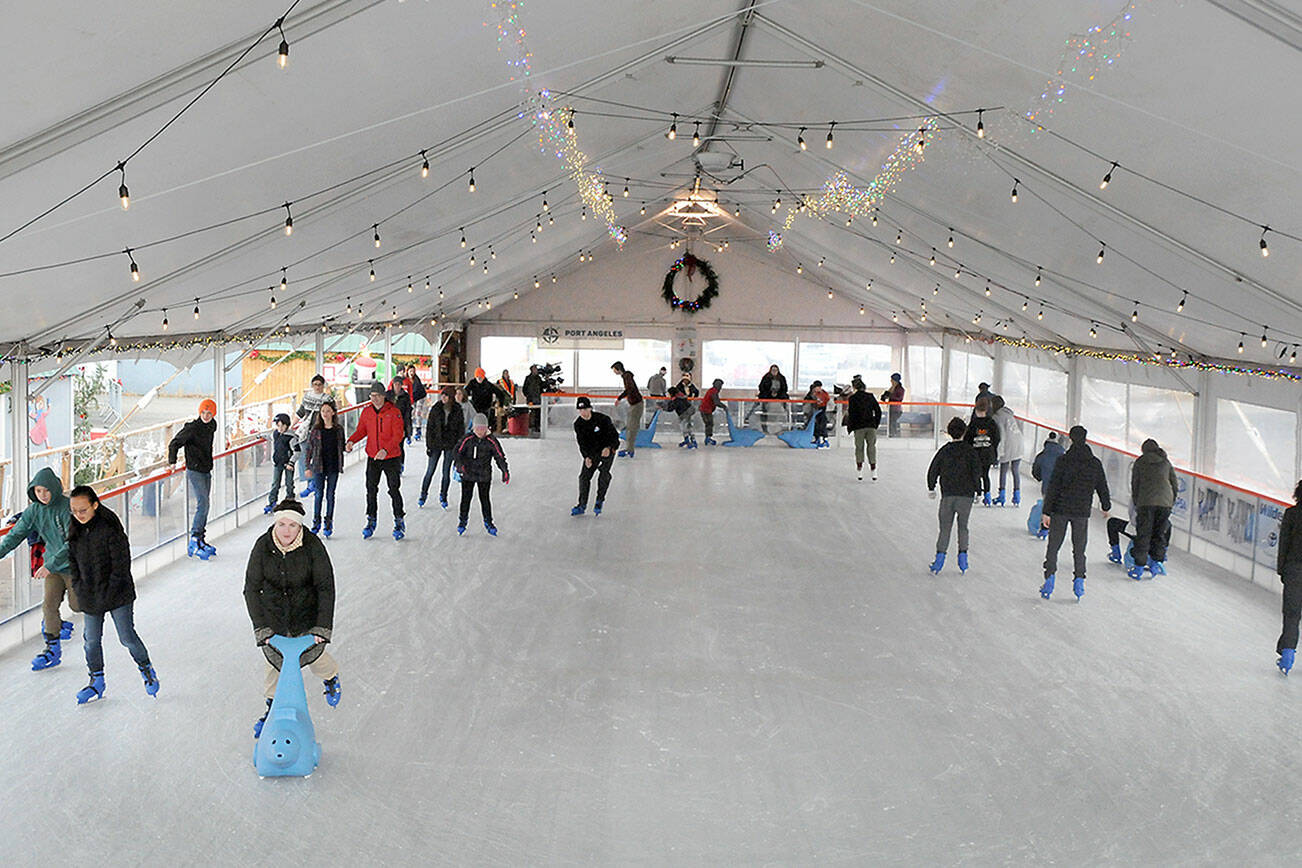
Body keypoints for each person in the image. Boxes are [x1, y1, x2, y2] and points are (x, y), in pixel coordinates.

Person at [243, 499, 340, 739]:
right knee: (274, 668)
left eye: (292, 526)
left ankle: (331, 678)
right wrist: (262, 628)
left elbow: (326, 587)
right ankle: (271, 709)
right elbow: (251, 589)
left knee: (317, 661)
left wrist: (321, 627)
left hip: (306, 620)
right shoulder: (262, 547)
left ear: (300, 527)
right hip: (274, 621)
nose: (286, 531)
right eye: (282, 524)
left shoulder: (313, 546)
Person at [65, 485, 158, 703]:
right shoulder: (75, 529)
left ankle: (146, 668)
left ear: (95, 505)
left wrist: (108, 591)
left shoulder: (110, 527)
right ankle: (96, 680)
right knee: (91, 641)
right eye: (74, 511)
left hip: (118, 594)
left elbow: (121, 565)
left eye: (83, 510)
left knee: (126, 636)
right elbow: (72, 562)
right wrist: (78, 587)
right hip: (90, 594)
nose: (78, 515)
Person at [0, 466, 78, 670]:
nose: (42, 495)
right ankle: (52, 649)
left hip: (74, 565)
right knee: (48, 606)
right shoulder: (34, 510)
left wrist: (49, 564)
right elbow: (16, 535)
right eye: (38, 491)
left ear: (54, 488)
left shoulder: (66, 507)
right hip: (53, 568)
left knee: (78, 606)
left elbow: (72, 542)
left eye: (46, 490)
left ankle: (61, 624)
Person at [1039, 425, 1111, 601]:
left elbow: (1053, 487)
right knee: (1079, 549)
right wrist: (1106, 505)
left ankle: (1049, 579)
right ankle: (1079, 580)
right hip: (1081, 511)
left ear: (1071, 439)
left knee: (1053, 546)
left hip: (1060, 510)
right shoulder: (1094, 463)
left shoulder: (1063, 461)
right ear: (1086, 439)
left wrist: (1046, 511)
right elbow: (1102, 485)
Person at [345, 382, 406, 540]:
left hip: (391, 457)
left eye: (378, 396)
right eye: (373, 396)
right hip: (373, 457)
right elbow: (361, 430)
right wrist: (351, 441)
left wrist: (385, 450)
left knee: (393, 489)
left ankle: (399, 519)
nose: (375, 399)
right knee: (371, 489)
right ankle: (371, 519)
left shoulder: (394, 412)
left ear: (384, 396)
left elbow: (398, 435)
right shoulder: (367, 412)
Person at [926, 418, 984, 574]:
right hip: (966, 496)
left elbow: (933, 469)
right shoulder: (970, 451)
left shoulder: (944, 451)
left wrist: (932, 487)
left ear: (949, 432)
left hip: (948, 496)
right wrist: (979, 491)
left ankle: (939, 560)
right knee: (963, 526)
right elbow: (976, 473)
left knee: (945, 529)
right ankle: (963, 558)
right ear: (964, 432)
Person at [168, 398, 218, 559]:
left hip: (206, 469)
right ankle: (194, 539)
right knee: (203, 503)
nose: (206, 416)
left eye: (209, 413)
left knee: (206, 504)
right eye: (203, 412)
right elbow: (174, 443)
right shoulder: (192, 428)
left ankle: (201, 538)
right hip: (194, 470)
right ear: (199, 412)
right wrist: (172, 462)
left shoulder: (212, 425)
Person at [1125, 438, 1178, 578]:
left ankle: (1139, 567)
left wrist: (1137, 502)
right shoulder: (1165, 462)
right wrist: (1170, 502)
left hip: (1145, 503)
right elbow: (1174, 484)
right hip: (1165, 504)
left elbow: (1135, 484)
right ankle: (1156, 564)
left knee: (1144, 534)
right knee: (1159, 534)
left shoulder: (1140, 462)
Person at [455, 413, 509, 536]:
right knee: (465, 499)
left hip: (484, 475)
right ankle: (462, 521)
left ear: (487, 428)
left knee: (485, 500)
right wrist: (459, 465)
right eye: (477, 428)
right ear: (473, 428)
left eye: (483, 428)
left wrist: (504, 470)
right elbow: (457, 452)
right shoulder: (467, 439)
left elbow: (499, 456)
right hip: (468, 474)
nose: (480, 431)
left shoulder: (491, 441)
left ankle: (488, 522)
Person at [571, 396, 620, 516]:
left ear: (590, 408)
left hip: (607, 450)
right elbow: (581, 443)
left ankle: (599, 500)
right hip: (592, 453)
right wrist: (586, 457)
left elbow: (614, 437)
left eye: (585, 409)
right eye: (580, 410)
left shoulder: (602, 419)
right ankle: (582, 505)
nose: (583, 413)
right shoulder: (578, 424)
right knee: (584, 477)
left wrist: (608, 448)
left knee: (604, 474)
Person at [303, 399, 344, 537]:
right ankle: (316, 521)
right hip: (318, 466)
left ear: (333, 412)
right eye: (323, 411)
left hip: (333, 466)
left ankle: (328, 521)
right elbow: (309, 449)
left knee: (330, 495)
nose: (325, 414)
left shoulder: (338, 429)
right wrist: (307, 466)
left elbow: (342, 446)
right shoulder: (316, 430)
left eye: (328, 411)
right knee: (319, 494)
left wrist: (348, 447)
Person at [420, 386, 464, 509]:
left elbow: (460, 430)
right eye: (442, 395)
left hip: (450, 445)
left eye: (445, 395)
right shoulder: (436, 408)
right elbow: (430, 428)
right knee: (430, 470)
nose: (443, 398)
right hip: (436, 444)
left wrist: (459, 447)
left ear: (450, 397)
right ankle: (423, 494)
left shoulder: (457, 410)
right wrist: (429, 446)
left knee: (446, 472)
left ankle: (443, 496)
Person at [1274, 481, 1302, 674]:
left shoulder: (1292, 514)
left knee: (1291, 615)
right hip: (1294, 570)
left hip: (1294, 570)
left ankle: (1287, 654)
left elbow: (1284, 544)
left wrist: (1282, 571)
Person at [295, 374, 336, 490]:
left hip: (320, 432)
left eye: (319, 384)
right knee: (304, 455)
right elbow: (301, 412)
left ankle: (317, 481)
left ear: (323, 386)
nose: (317, 387)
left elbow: (333, 414)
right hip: (307, 431)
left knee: (318, 456)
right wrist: (292, 425)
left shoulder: (327, 399)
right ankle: (310, 482)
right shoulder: (307, 397)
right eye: (315, 384)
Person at [964, 397, 1001, 506]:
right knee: (985, 474)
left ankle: (977, 493)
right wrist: (992, 447)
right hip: (987, 453)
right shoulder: (991, 423)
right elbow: (997, 438)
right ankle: (987, 496)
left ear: (976, 410)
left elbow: (968, 438)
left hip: (975, 454)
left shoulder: (973, 423)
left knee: (975, 474)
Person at [844, 375, 881, 481]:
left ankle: (859, 470)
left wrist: (850, 427)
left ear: (855, 387)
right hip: (870, 426)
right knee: (871, 447)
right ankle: (873, 470)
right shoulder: (870, 396)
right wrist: (875, 424)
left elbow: (852, 414)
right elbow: (878, 410)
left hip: (859, 427)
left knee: (859, 448)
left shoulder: (852, 398)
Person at [990, 395, 1025, 506]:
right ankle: (1017, 496)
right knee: (1015, 470)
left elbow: (1001, 434)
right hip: (1019, 444)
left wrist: (999, 451)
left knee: (1004, 470)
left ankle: (1002, 495)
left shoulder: (996, 417)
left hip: (1008, 445)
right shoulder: (1010, 414)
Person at [263, 413, 298, 515]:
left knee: (289, 483)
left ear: (287, 425)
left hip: (288, 464)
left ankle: (290, 500)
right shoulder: (276, 434)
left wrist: (291, 463)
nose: (280, 428)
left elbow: (297, 451)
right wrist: (259, 436)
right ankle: (272, 502)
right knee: (275, 484)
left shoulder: (291, 437)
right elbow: (269, 437)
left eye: (282, 426)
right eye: (278, 426)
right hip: (278, 463)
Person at [611, 361, 644, 458]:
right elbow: (629, 389)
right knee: (630, 427)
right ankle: (630, 449)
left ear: (618, 369)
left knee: (631, 428)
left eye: (614, 370)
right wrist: (620, 398)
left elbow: (629, 389)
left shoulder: (627, 377)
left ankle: (629, 449)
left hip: (636, 404)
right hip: (634, 404)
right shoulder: (626, 377)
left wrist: (620, 398)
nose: (614, 372)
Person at [465, 368, 509, 433]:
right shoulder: (472, 383)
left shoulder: (488, 385)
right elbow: (465, 392)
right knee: (475, 424)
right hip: (474, 408)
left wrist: (500, 405)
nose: (479, 378)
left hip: (486, 408)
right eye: (477, 377)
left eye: (481, 377)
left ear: (483, 377)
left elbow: (500, 394)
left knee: (485, 424)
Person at [1031, 432, 1064, 499]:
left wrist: (1039, 477)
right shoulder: (1063, 455)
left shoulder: (1042, 456)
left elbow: (1035, 471)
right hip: (1061, 489)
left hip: (1046, 489)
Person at [805, 380, 831, 448]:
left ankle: (824, 440)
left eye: (817, 387)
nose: (816, 389)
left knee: (822, 425)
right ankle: (817, 439)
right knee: (815, 426)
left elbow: (828, 400)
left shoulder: (824, 393)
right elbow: (807, 399)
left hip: (822, 411)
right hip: (815, 412)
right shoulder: (812, 393)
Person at [700, 378, 724, 446]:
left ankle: (708, 437)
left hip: (706, 410)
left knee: (709, 424)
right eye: (719, 385)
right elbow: (716, 402)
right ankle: (708, 438)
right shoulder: (713, 391)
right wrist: (724, 407)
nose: (720, 387)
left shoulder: (712, 390)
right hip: (705, 410)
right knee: (709, 423)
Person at [880, 373, 905, 438]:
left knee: (893, 422)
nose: (891, 381)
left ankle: (894, 435)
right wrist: (886, 394)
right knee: (891, 422)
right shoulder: (892, 388)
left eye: (892, 380)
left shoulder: (900, 389)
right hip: (891, 409)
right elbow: (884, 397)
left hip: (896, 410)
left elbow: (899, 398)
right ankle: (891, 434)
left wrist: (890, 395)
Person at [522, 364, 544, 431]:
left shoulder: (539, 378)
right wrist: (528, 396)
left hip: (538, 398)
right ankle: (531, 426)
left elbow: (542, 387)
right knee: (532, 413)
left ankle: (537, 426)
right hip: (531, 398)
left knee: (538, 413)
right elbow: (524, 389)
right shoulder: (528, 378)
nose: (536, 370)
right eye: (534, 369)